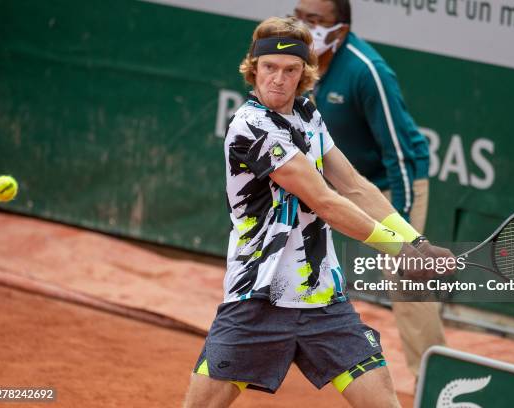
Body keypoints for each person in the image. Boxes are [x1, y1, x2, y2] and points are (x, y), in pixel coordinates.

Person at [183, 16, 454, 408]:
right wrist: (401, 252)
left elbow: (356, 186)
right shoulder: (251, 127)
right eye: (269, 68)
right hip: (258, 299)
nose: (278, 79)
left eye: (290, 70)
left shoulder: (308, 115)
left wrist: (418, 242)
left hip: (323, 301)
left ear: (303, 73)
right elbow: (326, 202)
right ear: (253, 69)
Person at [294, 0, 446, 379]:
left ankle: (432, 381)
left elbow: (401, 154)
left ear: (340, 30)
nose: (305, 26)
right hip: (332, 186)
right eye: (300, 16)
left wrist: (407, 234)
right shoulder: (294, 61)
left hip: (390, 184)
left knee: (409, 285)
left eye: (316, 20)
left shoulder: (367, 72)